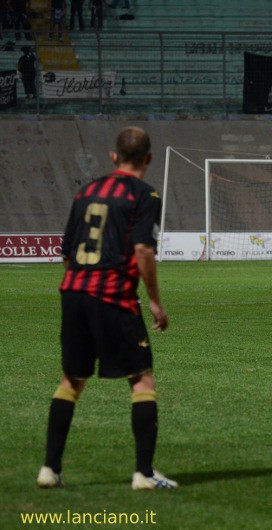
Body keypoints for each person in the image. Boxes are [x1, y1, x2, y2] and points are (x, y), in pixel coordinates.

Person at [37, 127, 177, 490]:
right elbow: (143, 250)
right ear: (148, 159)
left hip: (74, 292)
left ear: (114, 157)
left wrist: (78, 286)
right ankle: (144, 475)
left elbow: (67, 250)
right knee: (141, 378)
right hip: (113, 295)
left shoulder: (86, 191)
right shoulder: (145, 194)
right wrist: (155, 301)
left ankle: (50, 470)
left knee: (71, 380)